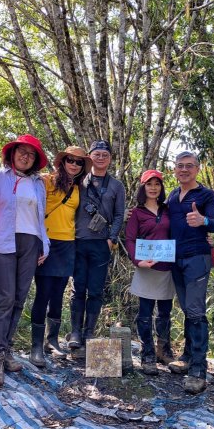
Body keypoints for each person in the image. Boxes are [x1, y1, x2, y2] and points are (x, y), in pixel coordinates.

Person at [0, 134, 49, 385]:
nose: (26, 156)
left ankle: (7, 348)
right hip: (2, 241)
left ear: (35, 160)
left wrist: (45, 244)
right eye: (22, 151)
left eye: (31, 154)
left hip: (30, 242)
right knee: (5, 298)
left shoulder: (38, 184)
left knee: (20, 297)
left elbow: (40, 217)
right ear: (12, 153)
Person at [30, 146, 92, 366]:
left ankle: (52, 340)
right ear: (62, 161)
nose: (74, 164)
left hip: (68, 244)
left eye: (79, 162)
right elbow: (31, 206)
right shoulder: (45, 180)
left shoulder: (78, 188)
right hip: (46, 242)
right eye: (70, 160)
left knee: (58, 293)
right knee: (43, 293)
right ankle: (36, 346)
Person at [166, 151, 214, 394]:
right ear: (174, 170)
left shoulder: (207, 195)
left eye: (189, 166)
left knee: (196, 311)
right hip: (175, 258)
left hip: (197, 258)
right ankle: (188, 355)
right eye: (180, 166)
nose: (184, 170)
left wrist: (204, 221)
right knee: (188, 309)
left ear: (197, 169)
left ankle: (198, 368)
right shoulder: (173, 195)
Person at [68, 140, 126, 352]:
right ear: (89, 157)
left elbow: (119, 214)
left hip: (101, 244)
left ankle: (89, 331)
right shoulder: (79, 180)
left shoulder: (116, 186)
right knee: (78, 288)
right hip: (78, 240)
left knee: (96, 289)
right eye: (96, 154)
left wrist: (111, 238)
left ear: (110, 159)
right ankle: (75, 331)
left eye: (105, 155)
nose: (100, 158)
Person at [125, 170, 176, 375]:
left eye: (157, 184)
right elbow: (129, 239)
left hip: (166, 268)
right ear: (143, 187)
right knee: (144, 314)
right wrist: (137, 260)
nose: (153, 188)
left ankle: (163, 350)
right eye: (149, 184)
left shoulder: (169, 210)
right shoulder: (136, 213)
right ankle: (147, 354)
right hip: (146, 268)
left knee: (164, 313)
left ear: (162, 187)